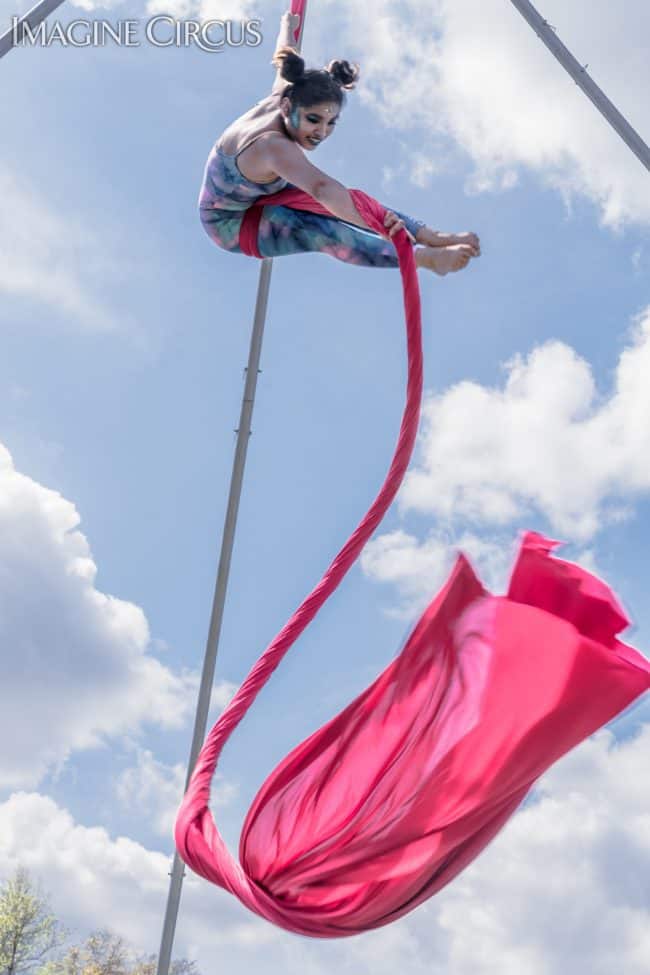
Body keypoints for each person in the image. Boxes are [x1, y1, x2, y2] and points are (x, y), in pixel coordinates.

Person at [199, 10, 480, 274]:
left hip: (261, 193)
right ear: (287, 108)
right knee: (320, 227)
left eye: (330, 123)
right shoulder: (273, 146)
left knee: (353, 200)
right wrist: (384, 229)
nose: (321, 132)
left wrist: (288, 25)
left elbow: (284, 55)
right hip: (233, 223)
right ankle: (421, 258)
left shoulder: (286, 90)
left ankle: (430, 235)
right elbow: (323, 190)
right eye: (312, 120)